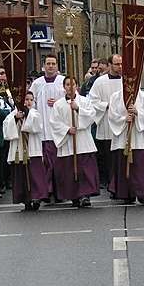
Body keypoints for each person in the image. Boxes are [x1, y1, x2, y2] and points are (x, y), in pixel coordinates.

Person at [50, 76, 99, 207]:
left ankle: (85, 195)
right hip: (68, 142)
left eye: (72, 84)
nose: (70, 87)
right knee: (70, 171)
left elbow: (92, 116)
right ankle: (74, 196)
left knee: (85, 170)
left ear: (77, 86)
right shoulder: (58, 104)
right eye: (67, 85)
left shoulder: (84, 101)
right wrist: (66, 129)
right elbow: (54, 123)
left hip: (83, 140)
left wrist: (78, 109)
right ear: (63, 87)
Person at [29, 54, 66, 201]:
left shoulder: (63, 81)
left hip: (59, 129)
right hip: (43, 129)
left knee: (59, 163)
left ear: (57, 66)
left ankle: (60, 192)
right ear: (43, 66)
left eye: (53, 63)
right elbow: (31, 102)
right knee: (45, 163)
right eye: (48, 64)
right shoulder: (37, 84)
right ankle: (47, 190)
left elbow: (71, 98)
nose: (50, 66)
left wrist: (58, 101)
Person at [108, 88, 144, 204]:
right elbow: (112, 116)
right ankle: (126, 193)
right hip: (122, 138)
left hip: (139, 140)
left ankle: (143, 192)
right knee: (123, 166)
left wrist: (137, 112)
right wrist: (124, 119)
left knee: (140, 167)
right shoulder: (116, 97)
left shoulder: (143, 97)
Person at [2, 92, 48, 211]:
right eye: (25, 99)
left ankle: (36, 197)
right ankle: (26, 200)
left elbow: (37, 127)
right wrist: (15, 119)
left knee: (35, 176)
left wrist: (26, 116)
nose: (28, 102)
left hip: (33, 150)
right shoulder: (12, 114)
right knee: (21, 177)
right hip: (19, 151)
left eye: (30, 100)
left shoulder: (35, 113)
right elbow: (7, 131)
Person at [88, 54, 123, 188]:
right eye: (116, 64)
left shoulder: (126, 81)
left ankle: (119, 182)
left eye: (121, 64)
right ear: (109, 65)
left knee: (119, 157)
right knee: (107, 156)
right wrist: (107, 105)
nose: (119, 67)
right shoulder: (100, 82)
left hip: (122, 124)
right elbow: (92, 101)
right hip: (106, 124)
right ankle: (108, 181)